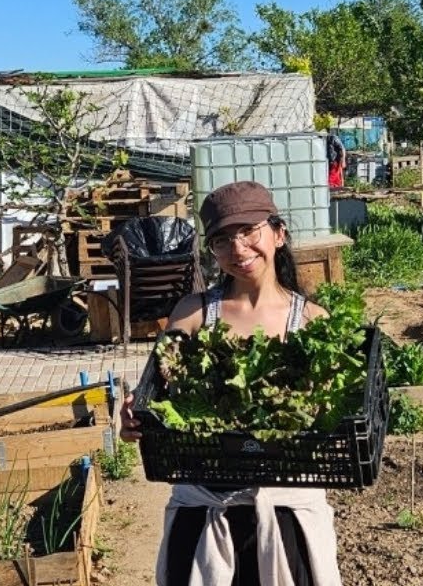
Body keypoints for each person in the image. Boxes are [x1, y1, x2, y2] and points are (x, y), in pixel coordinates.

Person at [121, 180, 342, 586]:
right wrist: (137, 415)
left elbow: (329, 415)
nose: (238, 250)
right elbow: (157, 389)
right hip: (204, 509)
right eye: (222, 240)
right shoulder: (193, 313)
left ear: (278, 233)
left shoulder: (313, 322)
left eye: (248, 232)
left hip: (284, 513)